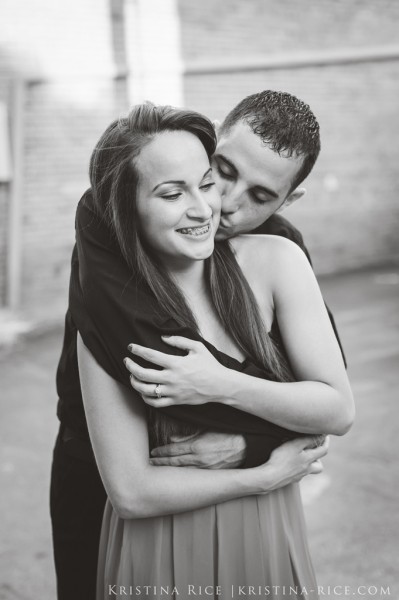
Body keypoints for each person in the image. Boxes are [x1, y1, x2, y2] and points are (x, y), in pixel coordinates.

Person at [51, 91, 346, 600]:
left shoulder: (280, 254)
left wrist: (245, 447)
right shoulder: (111, 246)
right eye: (223, 171)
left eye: (260, 196)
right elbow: (131, 487)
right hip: (95, 463)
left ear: (286, 201)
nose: (224, 204)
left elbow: (325, 405)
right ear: (209, 142)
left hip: (243, 497)